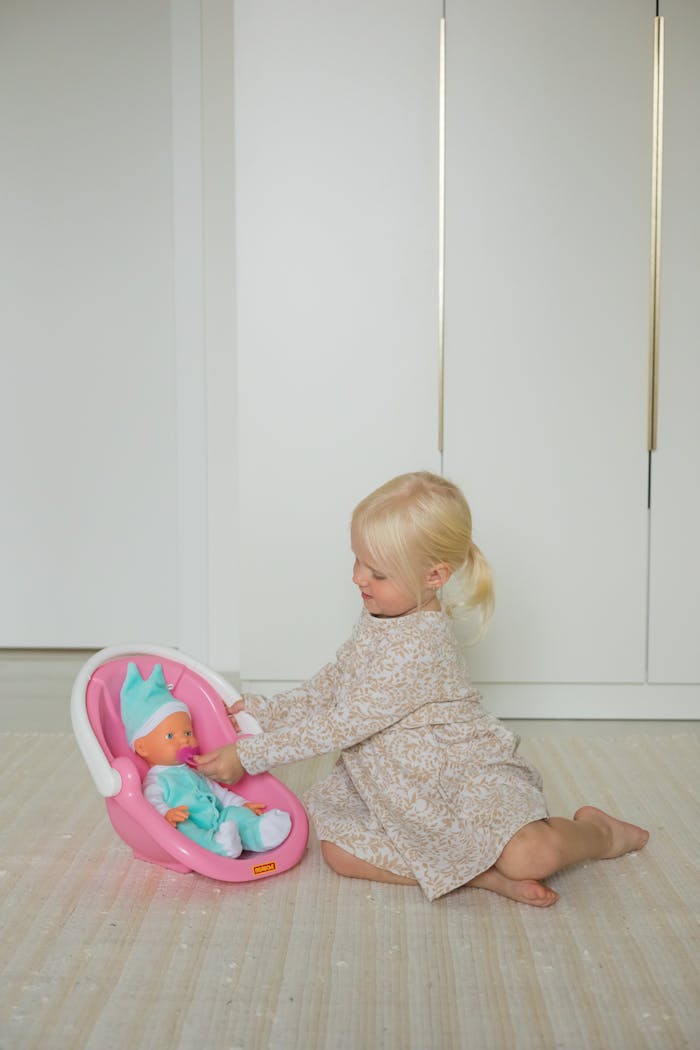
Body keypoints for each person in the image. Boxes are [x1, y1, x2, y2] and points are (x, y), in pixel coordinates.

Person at [195, 471, 648, 905]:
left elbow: (343, 724)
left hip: (460, 775)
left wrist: (251, 754)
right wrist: (264, 712)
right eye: (357, 560)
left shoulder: (421, 645)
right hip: (398, 785)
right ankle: (483, 877)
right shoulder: (383, 615)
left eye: (378, 572)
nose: (357, 577)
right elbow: (335, 680)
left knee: (531, 856)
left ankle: (599, 833)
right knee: (341, 854)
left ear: (435, 576)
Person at [120, 662, 291, 858]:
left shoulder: (193, 772)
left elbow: (221, 794)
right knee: (185, 829)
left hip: (218, 819)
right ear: (142, 747)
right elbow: (151, 803)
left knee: (234, 815)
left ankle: (259, 831)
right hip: (188, 823)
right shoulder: (156, 780)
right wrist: (166, 814)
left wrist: (242, 805)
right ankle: (219, 846)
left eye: (187, 732)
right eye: (170, 736)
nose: (184, 739)